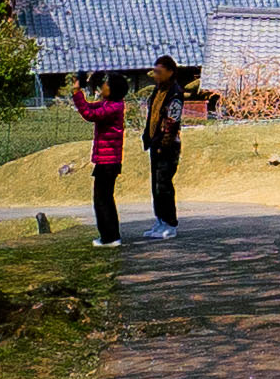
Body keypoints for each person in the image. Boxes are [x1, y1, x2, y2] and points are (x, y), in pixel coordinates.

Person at [68, 73, 129, 247]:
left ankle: (110, 238)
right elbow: (89, 107)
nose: (103, 87)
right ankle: (111, 235)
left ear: (113, 89)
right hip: (107, 161)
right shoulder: (111, 104)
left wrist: (76, 92)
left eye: (106, 84)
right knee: (105, 199)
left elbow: (88, 114)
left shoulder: (114, 107)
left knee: (102, 200)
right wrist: (80, 90)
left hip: (108, 162)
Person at [141, 54, 194, 236]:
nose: (156, 75)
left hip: (167, 145)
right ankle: (160, 220)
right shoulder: (158, 90)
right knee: (156, 184)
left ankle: (170, 223)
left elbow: (173, 121)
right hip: (155, 142)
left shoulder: (175, 93)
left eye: (159, 72)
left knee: (164, 184)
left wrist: (163, 143)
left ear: (170, 72)